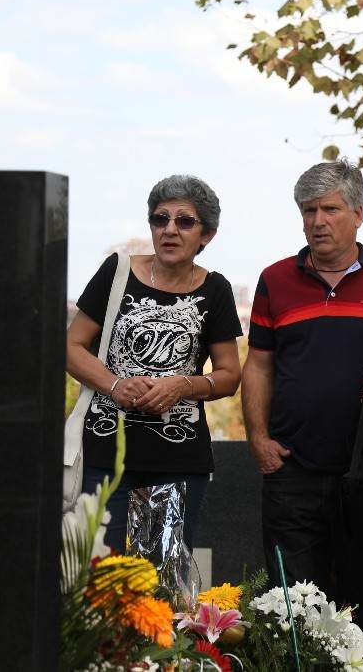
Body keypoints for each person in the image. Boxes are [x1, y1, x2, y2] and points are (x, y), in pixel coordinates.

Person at [243, 159, 363, 628]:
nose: (317, 221)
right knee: (292, 613)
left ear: (359, 214)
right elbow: (259, 364)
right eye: (308, 210)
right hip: (291, 469)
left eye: (330, 209)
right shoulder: (274, 280)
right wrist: (258, 439)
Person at [67, 174, 243, 552]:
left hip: (178, 459)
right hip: (104, 453)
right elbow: (71, 347)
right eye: (160, 219)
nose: (170, 229)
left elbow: (230, 375)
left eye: (184, 221)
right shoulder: (116, 272)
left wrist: (182, 385)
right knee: (99, 576)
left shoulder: (216, 290)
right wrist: (115, 385)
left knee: (163, 588)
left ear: (207, 234)